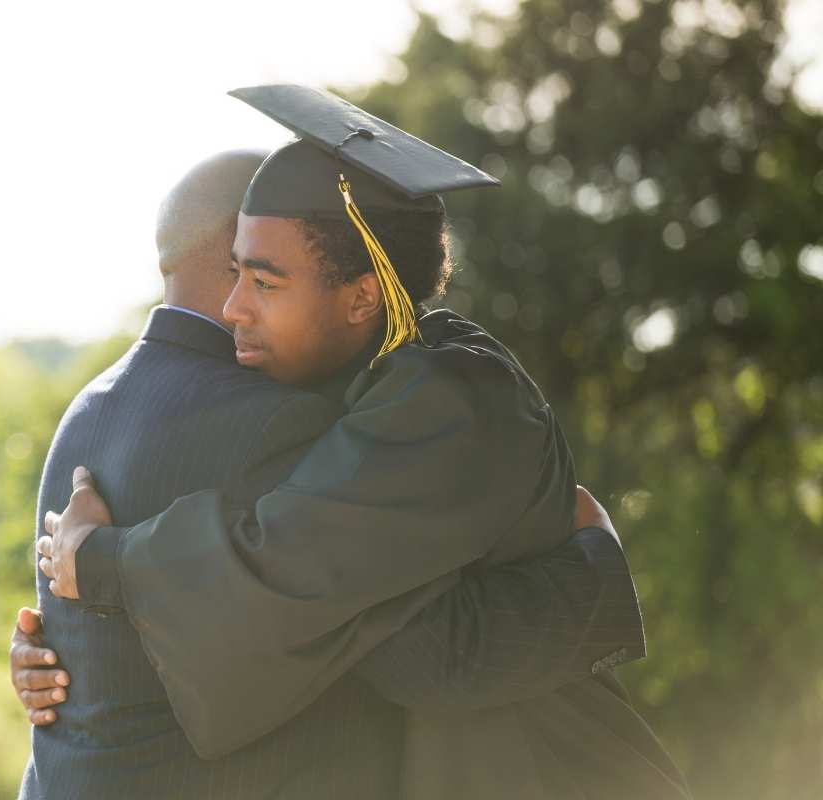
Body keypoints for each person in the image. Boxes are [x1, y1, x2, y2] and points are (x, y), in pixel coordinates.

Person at [35, 85, 689, 798]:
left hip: (555, 770)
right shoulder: (370, 387)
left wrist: (102, 561)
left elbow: (380, 622)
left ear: (360, 298)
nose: (233, 308)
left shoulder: (449, 398)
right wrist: (61, 646)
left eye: (263, 280)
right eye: (236, 272)